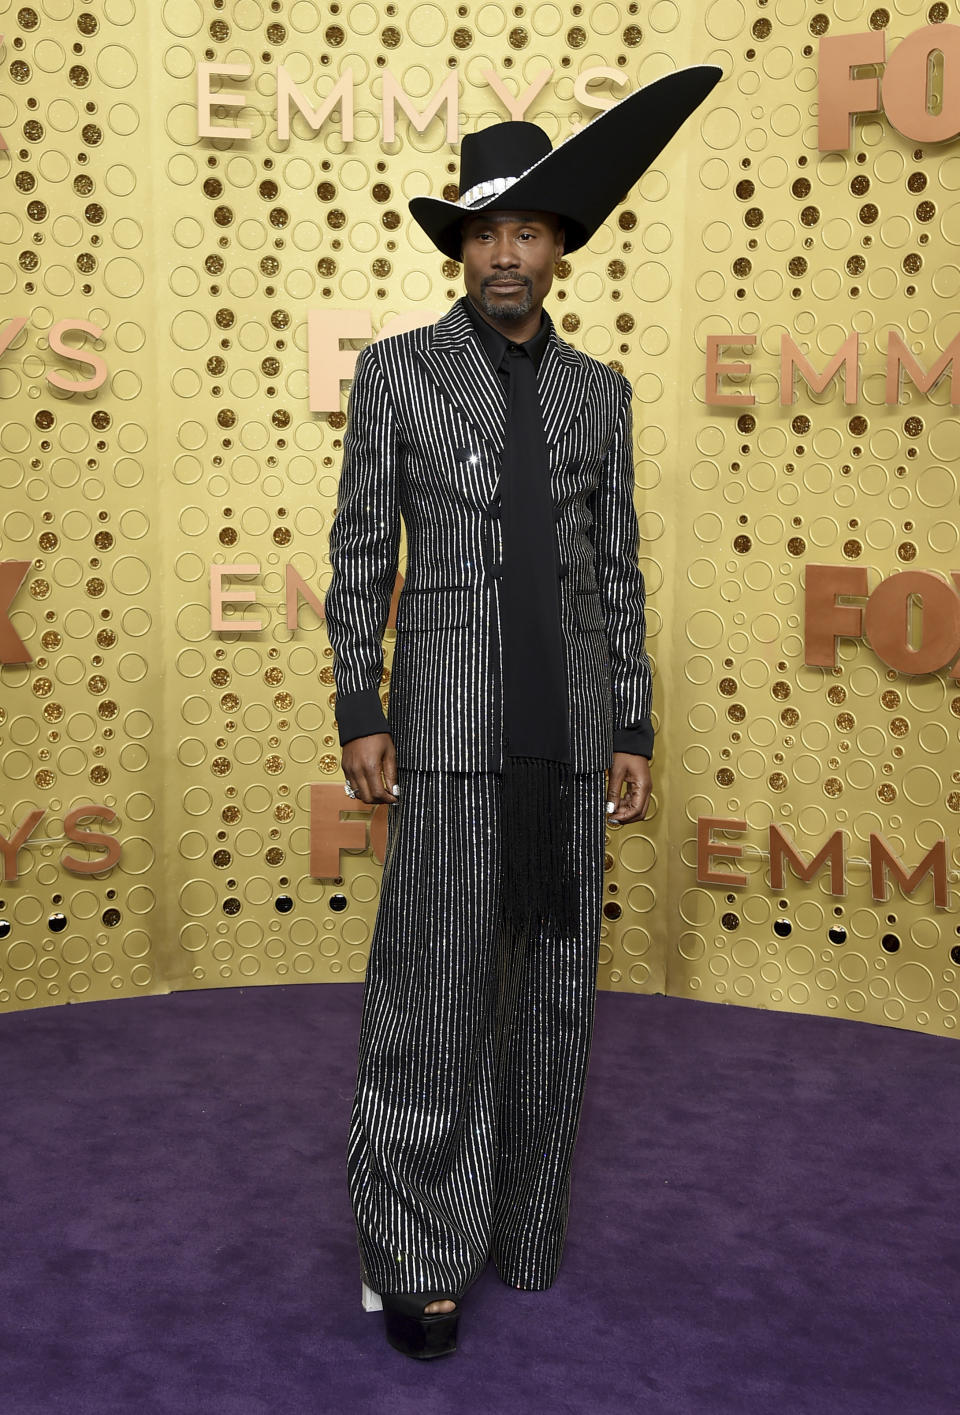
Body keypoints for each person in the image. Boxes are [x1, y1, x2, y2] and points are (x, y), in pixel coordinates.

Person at [323, 64, 721, 1359]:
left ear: (560, 246)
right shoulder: (395, 374)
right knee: (435, 998)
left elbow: (619, 571)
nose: (507, 250)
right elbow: (357, 556)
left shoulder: (597, 395)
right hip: (445, 731)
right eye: (486, 228)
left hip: (571, 733)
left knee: (551, 994)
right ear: (464, 246)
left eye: (530, 228)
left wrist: (635, 726)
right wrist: (357, 703)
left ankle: (522, 1226)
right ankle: (418, 1251)